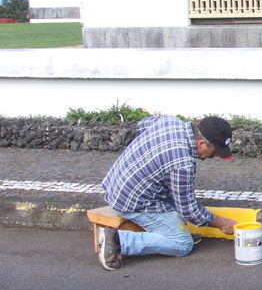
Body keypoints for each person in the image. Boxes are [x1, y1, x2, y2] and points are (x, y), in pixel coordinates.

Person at [96, 115, 239, 270]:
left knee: (180, 199)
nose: (214, 156)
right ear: (201, 143)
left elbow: (141, 125)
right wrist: (222, 224)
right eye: (214, 152)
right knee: (183, 243)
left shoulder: (170, 121)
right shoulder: (182, 163)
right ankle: (118, 240)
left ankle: (169, 230)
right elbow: (188, 209)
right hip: (130, 201)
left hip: (116, 183)